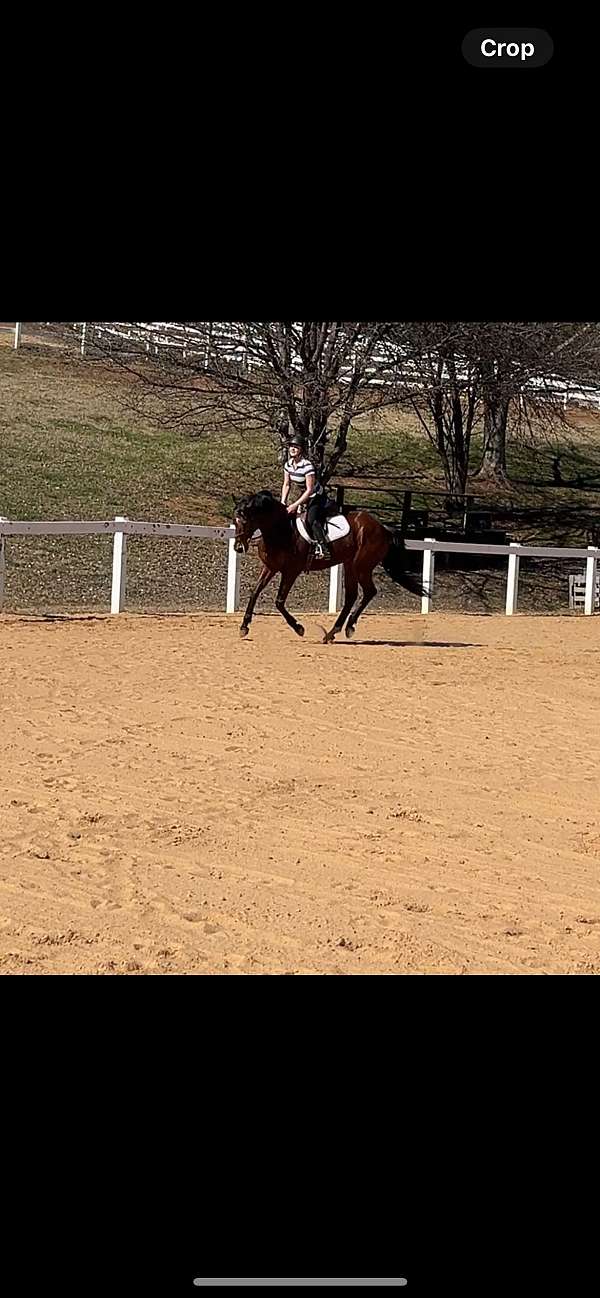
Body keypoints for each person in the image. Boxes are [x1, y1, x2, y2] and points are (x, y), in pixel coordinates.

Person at [281, 435, 331, 559]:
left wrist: (294, 505)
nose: (292, 449)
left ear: (301, 450)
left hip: (316, 495)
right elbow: (286, 484)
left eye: (296, 447)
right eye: (291, 446)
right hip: (303, 495)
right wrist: (283, 502)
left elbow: (309, 490)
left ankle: (324, 548)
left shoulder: (307, 466)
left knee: (311, 520)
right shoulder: (287, 465)